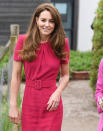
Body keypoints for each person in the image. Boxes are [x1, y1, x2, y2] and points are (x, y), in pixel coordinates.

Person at [8, 3, 69, 131]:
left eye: (51, 21)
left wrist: (57, 93)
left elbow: (65, 75)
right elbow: (16, 76)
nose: (47, 25)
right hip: (30, 101)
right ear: (36, 20)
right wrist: (13, 105)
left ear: (56, 24)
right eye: (43, 20)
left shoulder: (62, 43)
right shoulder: (22, 41)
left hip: (51, 103)